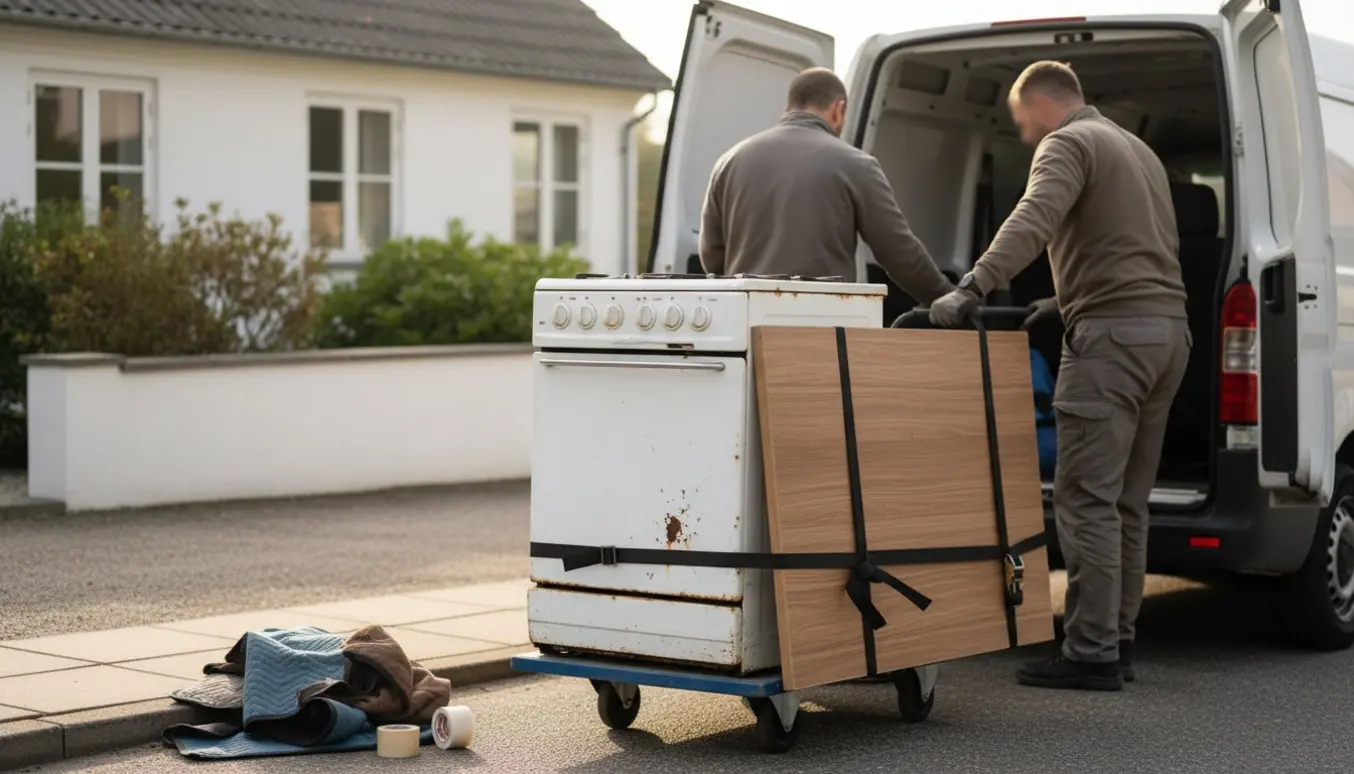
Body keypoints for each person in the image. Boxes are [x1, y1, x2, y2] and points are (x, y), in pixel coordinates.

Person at [929, 61, 1191, 691]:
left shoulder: (1067, 141)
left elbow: (1033, 216)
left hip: (1111, 344)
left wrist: (972, 286)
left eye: (1023, 122)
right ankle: (1118, 640)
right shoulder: (1136, 149)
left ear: (1043, 103)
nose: (1024, 137)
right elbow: (1129, 246)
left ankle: (1090, 653)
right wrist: (1062, 300)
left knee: (1086, 501)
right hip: (1166, 335)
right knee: (1129, 503)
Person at [699, 67, 952, 305]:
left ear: (788, 107)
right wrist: (948, 297)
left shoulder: (728, 161)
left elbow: (711, 254)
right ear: (838, 109)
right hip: (821, 325)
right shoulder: (856, 164)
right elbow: (899, 253)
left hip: (744, 323)